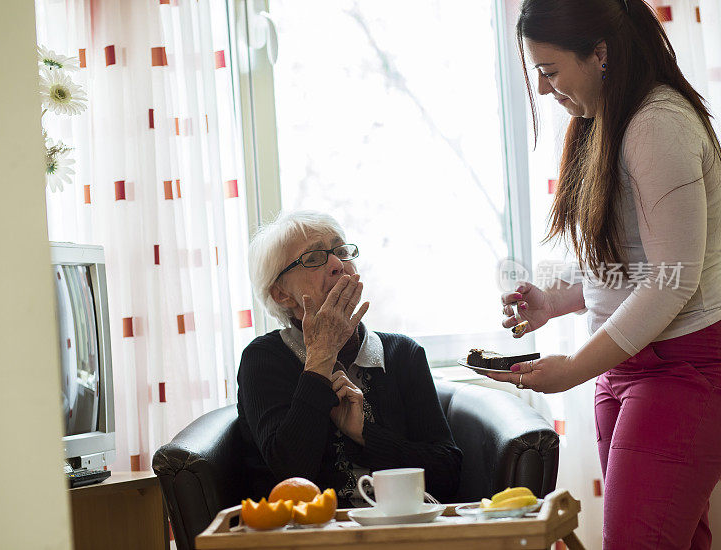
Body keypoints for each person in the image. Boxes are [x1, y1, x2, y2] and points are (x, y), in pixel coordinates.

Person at [487, 0, 721, 547]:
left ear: (600, 53)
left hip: (681, 368)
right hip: (628, 364)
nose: (543, 90)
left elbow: (674, 281)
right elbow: (628, 263)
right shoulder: (603, 121)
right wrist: (553, 301)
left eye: (549, 71)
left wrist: (573, 369)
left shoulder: (658, 123)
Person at [237, 210, 462, 506]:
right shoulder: (263, 359)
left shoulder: (403, 354)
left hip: (404, 529)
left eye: (341, 251)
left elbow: (447, 475)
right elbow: (288, 474)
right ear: (281, 294)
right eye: (314, 258)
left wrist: (365, 434)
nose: (337, 264)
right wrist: (320, 358)